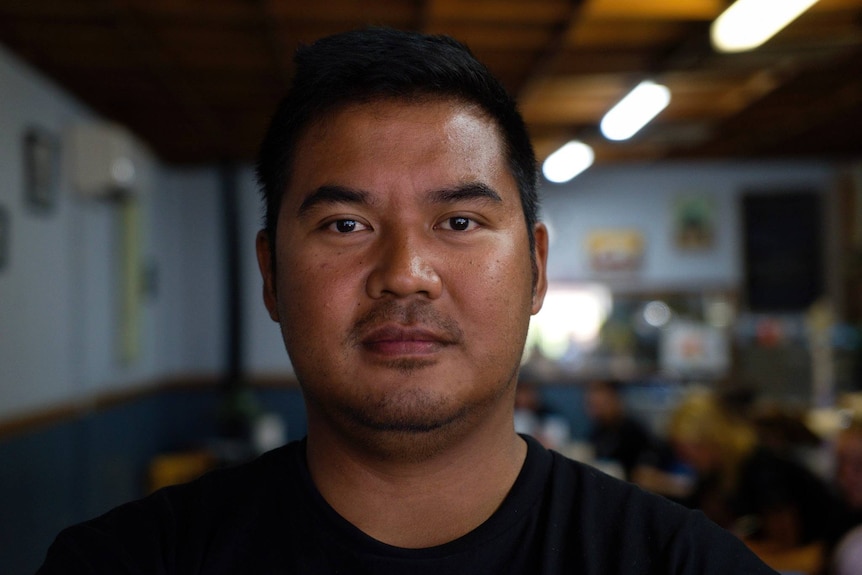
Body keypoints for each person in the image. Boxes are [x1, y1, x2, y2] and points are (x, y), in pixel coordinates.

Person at [36, 27, 776, 574]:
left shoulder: (685, 564)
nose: (405, 272)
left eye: (459, 222)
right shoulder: (123, 562)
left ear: (538, 270)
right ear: (270, 275)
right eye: (345, 224)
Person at [667, 389, 838, 574]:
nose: (684, 458)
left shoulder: (761, 466)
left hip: (815, 554)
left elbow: (786, 541)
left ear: (712, 439)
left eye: (688, 449)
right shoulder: (714, 476)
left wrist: (730, 545)